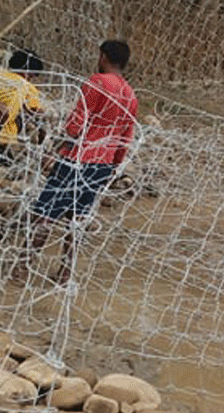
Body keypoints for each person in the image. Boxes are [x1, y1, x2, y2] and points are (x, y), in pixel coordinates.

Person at [23, 40, 138, 282]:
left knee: (45, 212)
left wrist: (55, 149)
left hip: (77, 159)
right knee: (77, 219)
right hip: (103, 164)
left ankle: (24, 266)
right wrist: (114, 166)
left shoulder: (96, 82)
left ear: (103, 56)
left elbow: (76, 123)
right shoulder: (130, 95)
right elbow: (125, 137)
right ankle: (65, 273)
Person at [0, 48, 46, 153]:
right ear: (30, 73)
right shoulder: (27, 86)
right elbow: (36, 112)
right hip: (0, 136)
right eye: (33, 75)